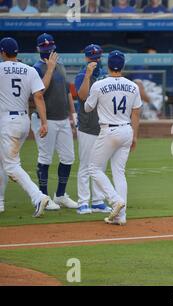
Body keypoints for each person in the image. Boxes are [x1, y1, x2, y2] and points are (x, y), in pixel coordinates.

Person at [85, 50, 142, 226]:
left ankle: (115, 200)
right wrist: (135, 137)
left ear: (108, 64)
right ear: (123, 65)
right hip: (126, 130)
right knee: (119, 172)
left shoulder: (99, 85)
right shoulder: (133, 86)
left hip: (109, 131)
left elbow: (87, 108)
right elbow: (136, 113)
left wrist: (88, 77)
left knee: (94, 168)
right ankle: (121, 216)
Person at [0, 37, 54, 217]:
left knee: (11, 165)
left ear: (2, 52)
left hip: (7, 122)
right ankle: (0, 202)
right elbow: (38, 97)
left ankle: (38, 197)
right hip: (23, 121)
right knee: (4, 163)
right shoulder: (29, 70)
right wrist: (44, 122)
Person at [32, 33, 78, 211]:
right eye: (44, 49)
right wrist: (49, 69)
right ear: (38, 49)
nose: (47, 52)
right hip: (45, 119)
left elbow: (67, 92)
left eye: (49, 48)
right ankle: (43, 197)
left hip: (62, 118)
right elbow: (39, 92)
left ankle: (60, 195)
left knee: (68, 157)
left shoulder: (61, 65)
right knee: (45, 158)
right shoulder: (36, 68)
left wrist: (73, 115)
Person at [74, 44, 111, 215]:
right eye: (93, 57)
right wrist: (88, 75)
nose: (96, 60)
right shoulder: (82, 74)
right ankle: (83, 202)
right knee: (85, 166)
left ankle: (97, 201)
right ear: (87, 58)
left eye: (98, 57)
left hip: (102, 126)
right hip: (87, 126)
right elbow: (81, 96)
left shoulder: (104, 75)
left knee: (100, 166)